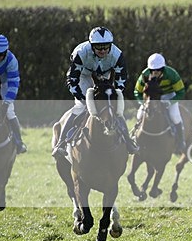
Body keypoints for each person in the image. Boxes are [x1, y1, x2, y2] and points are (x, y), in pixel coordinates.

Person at [52, 26, 138, 159]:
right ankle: (61, 144)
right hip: (84, 76)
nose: (103, 50)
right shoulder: (81, 53)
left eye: (106, 47)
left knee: (117, 110)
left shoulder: (117, 55)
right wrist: (81, 97)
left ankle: (128, 142)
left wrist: (116, 94)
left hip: (106, 77)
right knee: (81, 107)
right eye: (99, 47)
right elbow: (72, 78)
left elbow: (122, 78)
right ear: (92, 46)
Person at [133, 52, 187, 153]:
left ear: (163, 68)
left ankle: (180, 142)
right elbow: (137, 92)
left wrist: (170, 102)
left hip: (169, 95)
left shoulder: (172, 74)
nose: (156, 72)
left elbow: (181, 92)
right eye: (153, 70)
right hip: (151, 98)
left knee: (175, 116)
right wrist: (143, 102)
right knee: (139, 114)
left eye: (159, 70)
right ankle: (134, 137)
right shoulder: (144, 75)